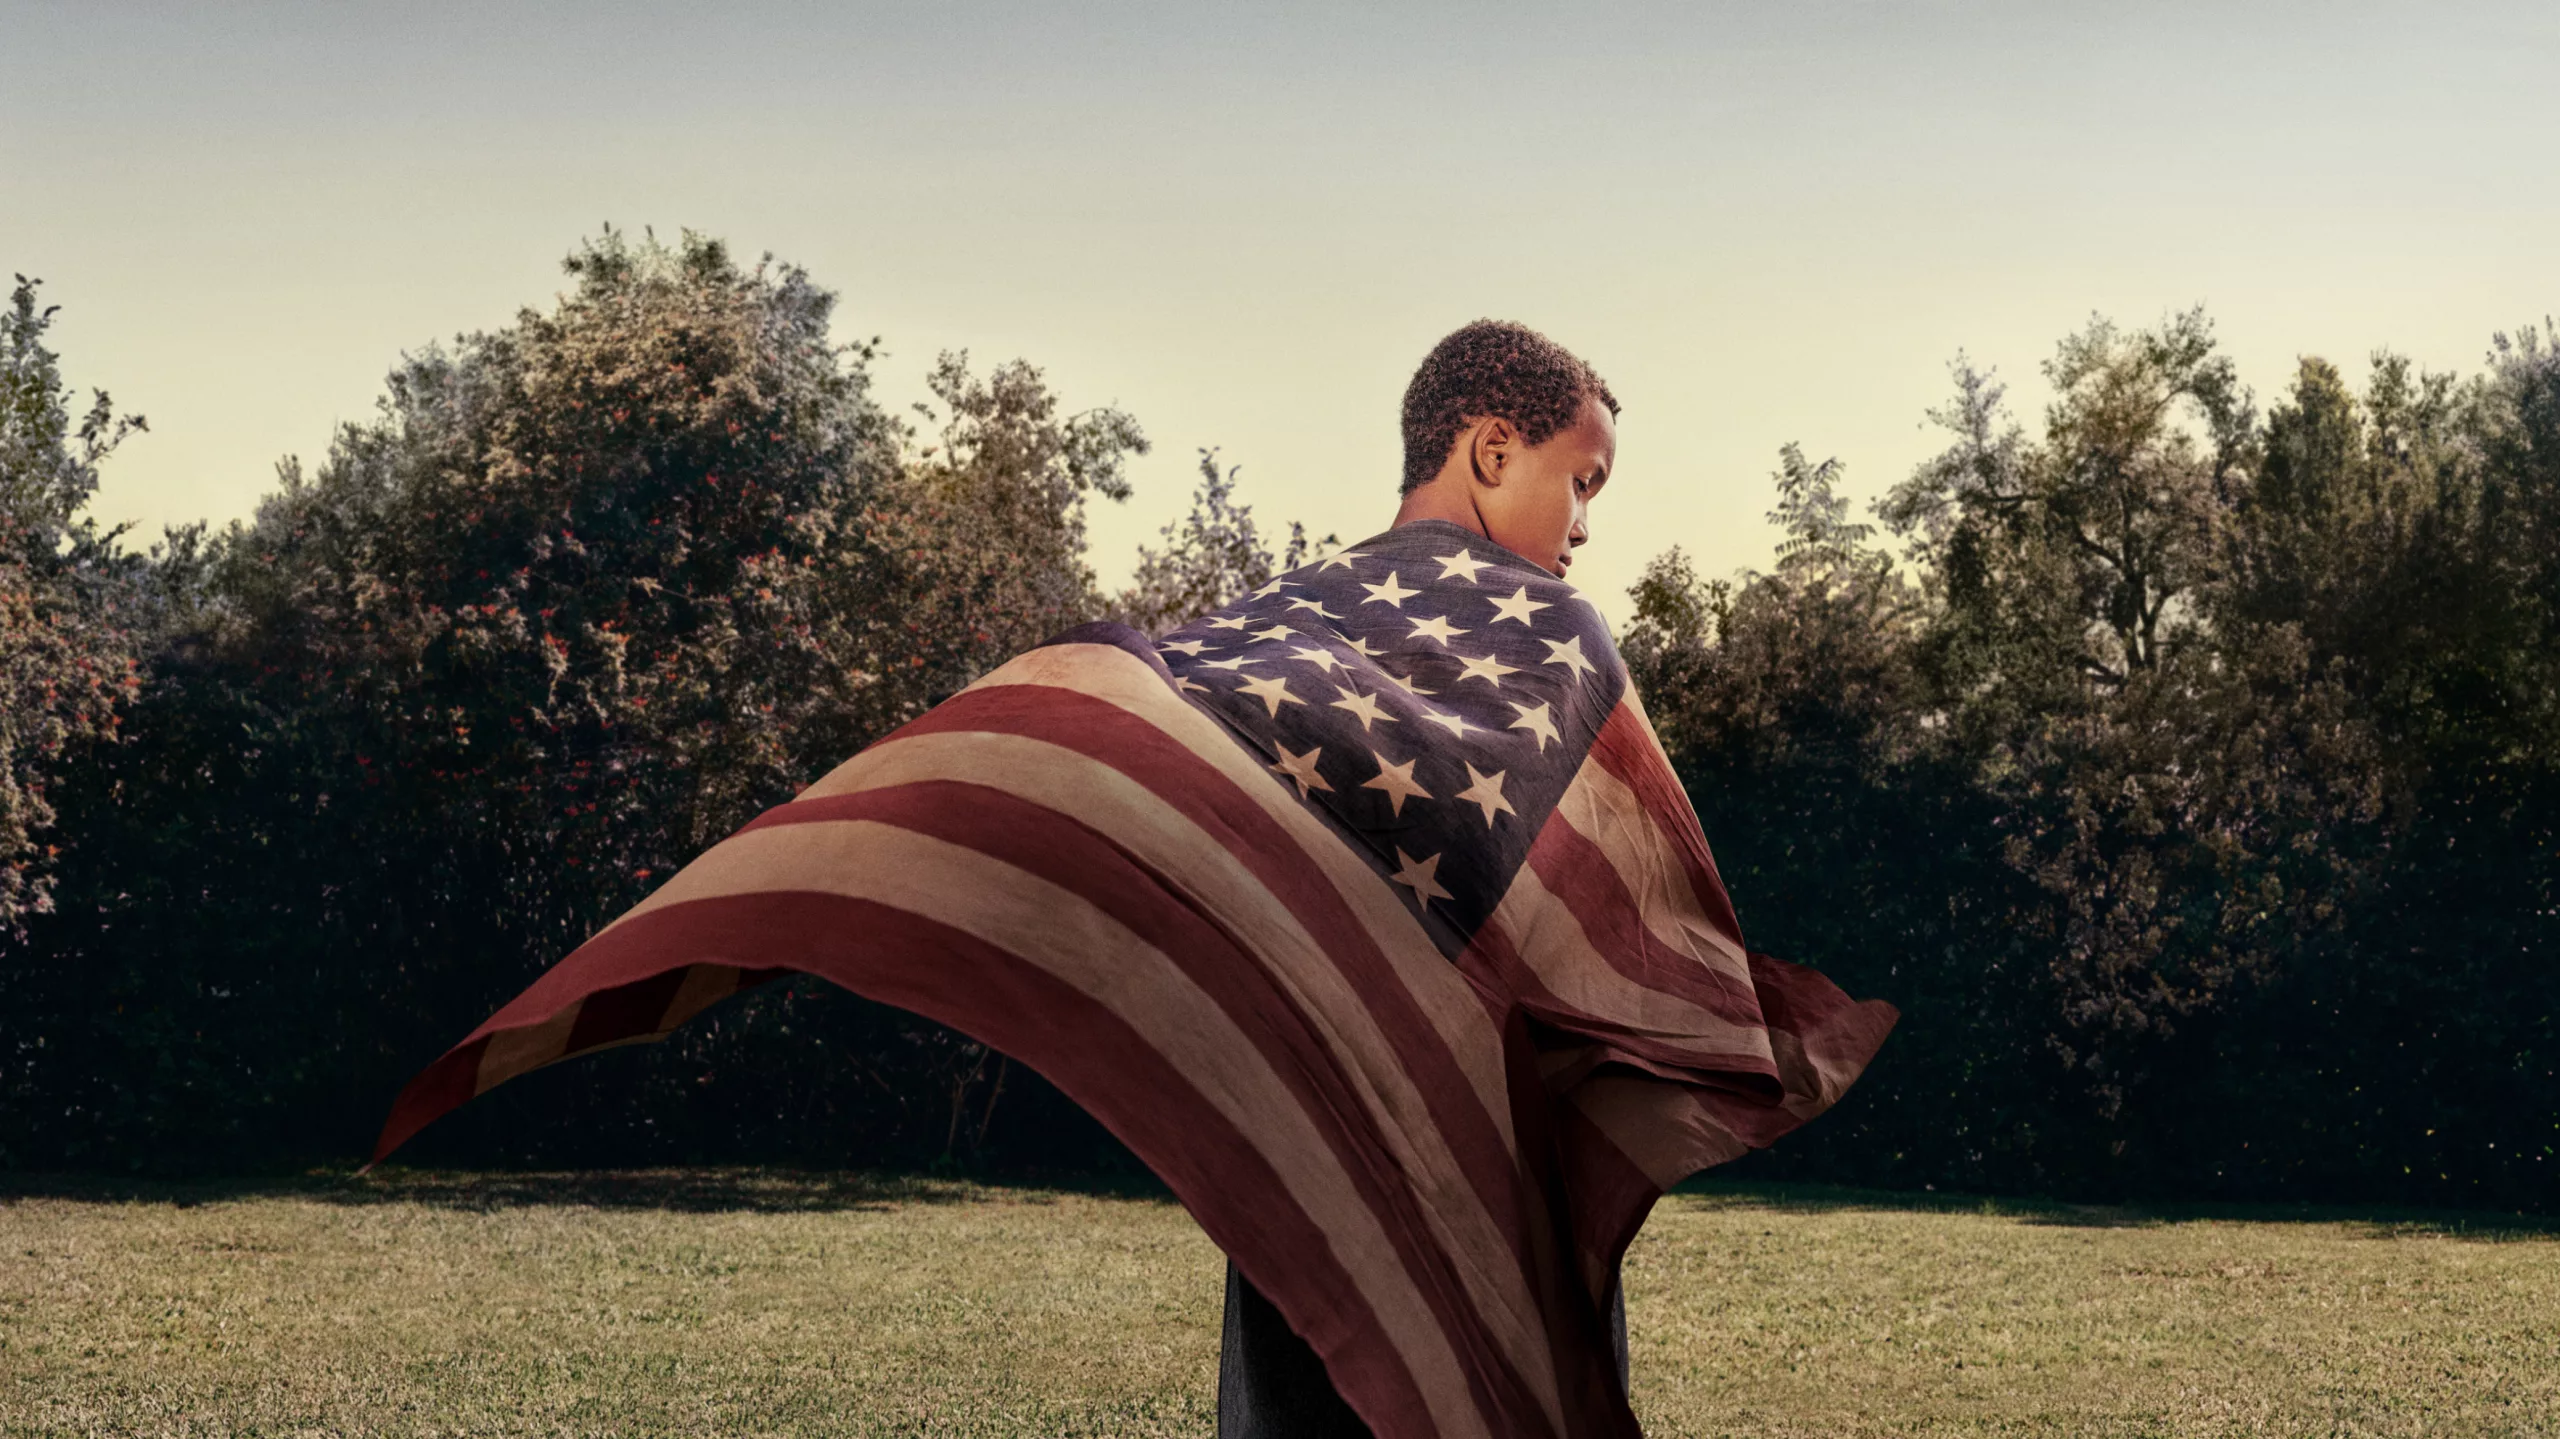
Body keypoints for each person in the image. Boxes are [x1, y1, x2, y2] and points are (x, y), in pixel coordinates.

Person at [1217, 318, 1625, 1438]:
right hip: (1495, 1154)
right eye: (1579, 482)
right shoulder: (1556, 633)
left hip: (1301, 1144)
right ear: (1492, 451)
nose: (1584, 528)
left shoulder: (1271, 631)